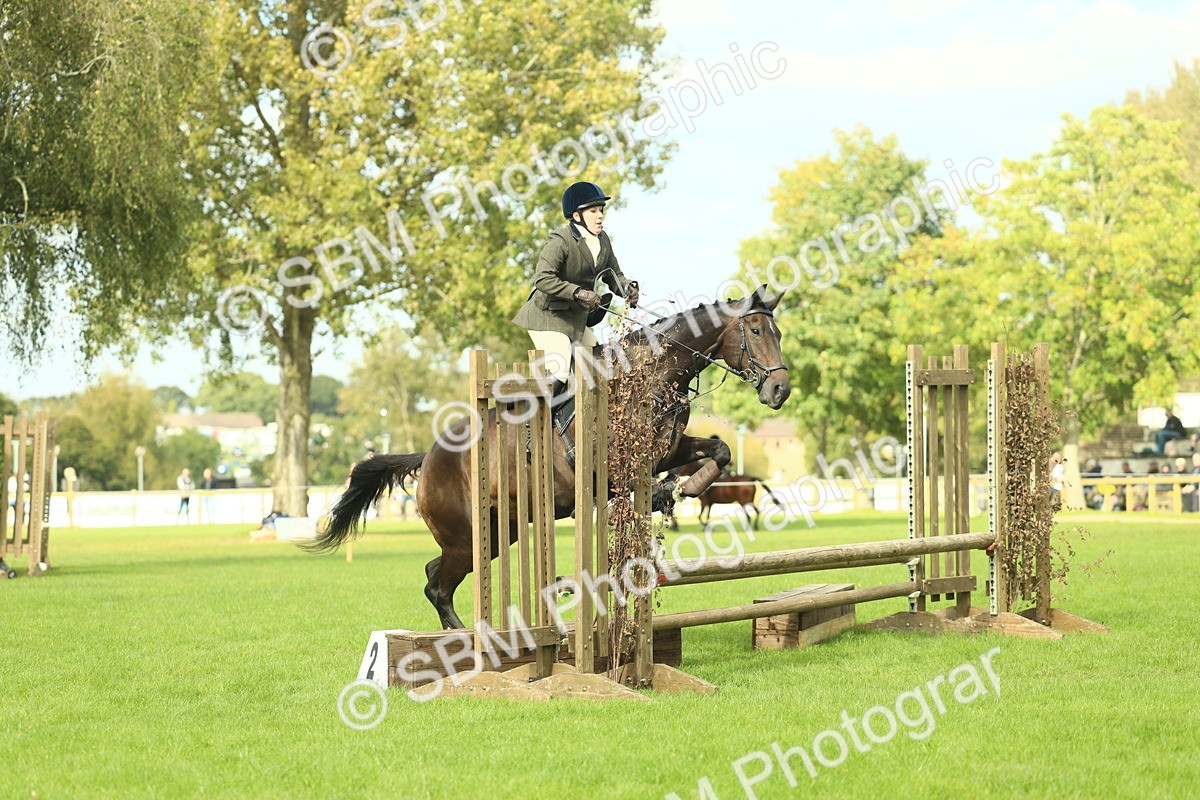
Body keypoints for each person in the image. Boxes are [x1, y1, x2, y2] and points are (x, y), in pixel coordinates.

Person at [511, 181, 639, 425]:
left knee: (600, 363)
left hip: (574, 321)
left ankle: (575, 421)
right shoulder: (560, 240)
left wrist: (628, 289)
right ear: (576, 215)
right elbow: (543, 279)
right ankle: (535, 424)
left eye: (601, 210)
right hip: (546, 317)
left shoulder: (603, 241)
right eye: (593, 211)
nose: (600, 215)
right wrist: (580, 293)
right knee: (560, 367)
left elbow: (613, 276)